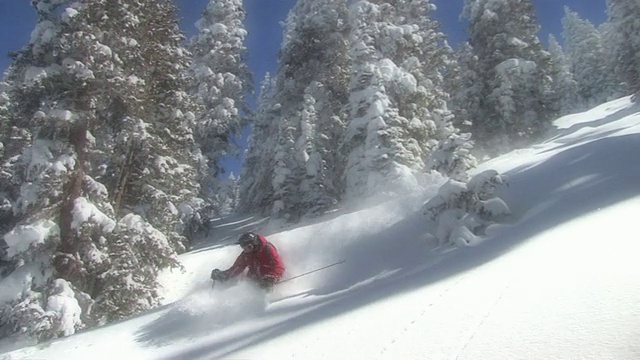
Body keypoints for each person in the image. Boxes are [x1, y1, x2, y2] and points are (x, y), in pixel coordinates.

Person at [211, 232, 285, 290]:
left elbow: (279, 267)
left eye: (248, 247)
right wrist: (224, 275)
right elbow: (236, 268)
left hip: (269, 280)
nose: (246, 250)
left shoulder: (267, 249)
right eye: (243, 248)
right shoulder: (246, 254)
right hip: (254, 281)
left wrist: (271, 278)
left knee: (264, 289)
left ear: (255, 243)